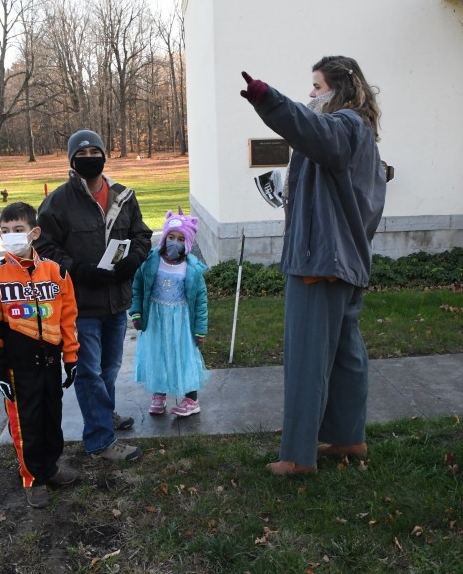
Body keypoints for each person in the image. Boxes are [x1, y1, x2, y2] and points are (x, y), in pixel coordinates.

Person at [240, 56, 387, 475]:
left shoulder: (343, 126)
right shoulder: (360, 134)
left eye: (317, 86)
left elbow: (310, 129)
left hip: (320, 260)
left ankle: (298, 456)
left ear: (339, 90)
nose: (311, 93)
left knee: (307, 357)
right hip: (343, 258)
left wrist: (268, 100)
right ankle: (347, 438)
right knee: (344, 354)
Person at [35, 130, 152, 462]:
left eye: (94, 150)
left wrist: (134, 260)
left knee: (110, 368)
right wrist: (78, 269)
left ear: (104, 155)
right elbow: (43, 247)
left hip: (116, 301)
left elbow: (141, 234)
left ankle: (105, 415)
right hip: (80, 305)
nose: (89, 156)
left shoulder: (123, 197)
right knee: (88, 373)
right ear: (72, 160)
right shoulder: (58, 201)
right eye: (82, 152)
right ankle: (100, 441)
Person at [0, 201, 79, 508]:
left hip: (49, 364)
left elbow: (68, 318)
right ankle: (33, 478)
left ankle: (50, 467)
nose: (11, 236)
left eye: (18, 230)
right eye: (5, 231)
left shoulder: (56, 273)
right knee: (25, 423)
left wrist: (70, 358)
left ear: (34, 232)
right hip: (18, 369)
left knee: (50, 418)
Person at [130, 208, 209, 417]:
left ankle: (192, 399)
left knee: (184, 357)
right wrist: (136, 312)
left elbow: (201, 302)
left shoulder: (192, 269)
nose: (175, 242)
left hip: (181, 322)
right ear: (164, 238)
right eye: (171, 237)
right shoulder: (150, 262)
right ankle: (159, 394)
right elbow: (137, 287)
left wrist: (200, 330)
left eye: (181, 239)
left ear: (188, 243)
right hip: (155, 319)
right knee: (158, 354)